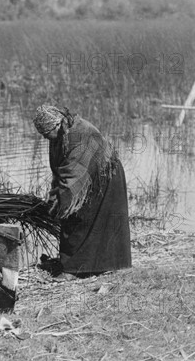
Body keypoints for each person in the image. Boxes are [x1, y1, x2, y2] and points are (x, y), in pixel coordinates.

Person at [33, 105, 131, 277]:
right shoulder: (59, 136)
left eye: (46, 133)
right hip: (87, 175)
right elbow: (61, 170)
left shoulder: (80, 135)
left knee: (85, 219)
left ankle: (75, 268)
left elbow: (72, 178)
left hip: (105, 173)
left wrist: (58, 201)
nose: (45, 137)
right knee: (77, 218)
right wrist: (55, 195)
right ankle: (81, 264)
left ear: (57, 124)